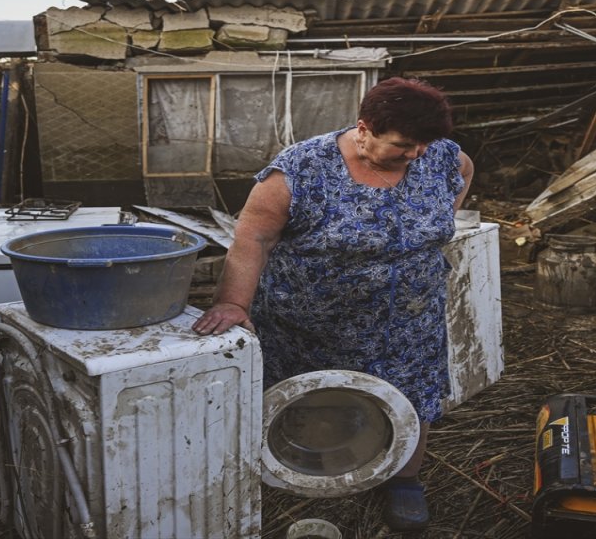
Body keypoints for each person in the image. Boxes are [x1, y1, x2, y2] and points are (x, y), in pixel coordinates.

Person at [192, 76, 474, 530]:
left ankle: (404, 479)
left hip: (408, 318)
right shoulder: (302, 168)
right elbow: (253, 237)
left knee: (411, 395)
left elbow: (463, 169)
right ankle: (302, 468)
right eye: (402, 145)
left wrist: (437, 220)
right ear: (363, 129)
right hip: (313, 319)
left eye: (422, 144)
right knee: (308, 397)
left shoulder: (439, 154)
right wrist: (233, 302)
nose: (416, 154)